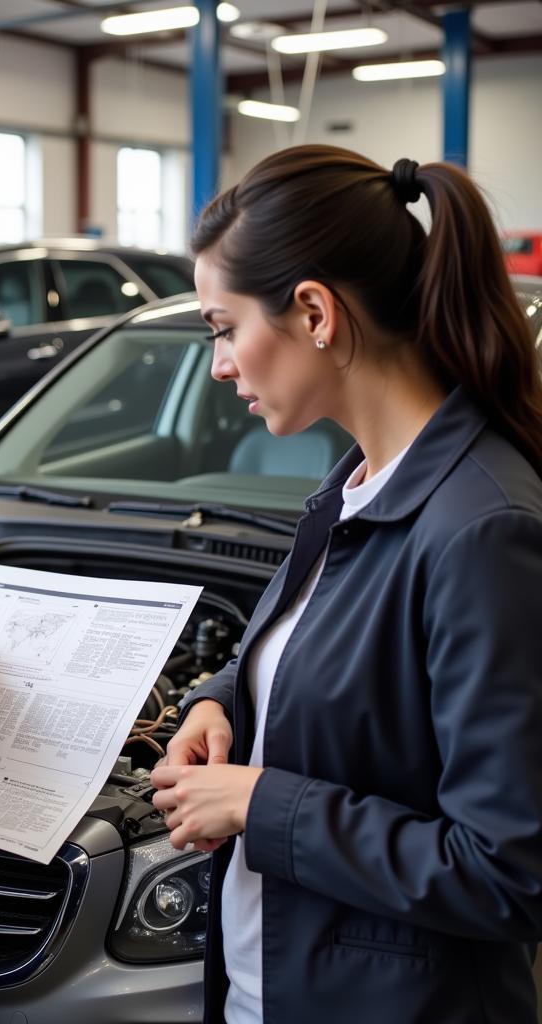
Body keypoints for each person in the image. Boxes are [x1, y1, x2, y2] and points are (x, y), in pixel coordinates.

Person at [151, 145, 542, 1023]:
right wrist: (221, 705)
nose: (219, 363)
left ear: (316, 313)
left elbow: (510, 872)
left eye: (222, 327)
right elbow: (315, 665)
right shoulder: (354, 487)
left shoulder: (482, 530)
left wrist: (261, 803)